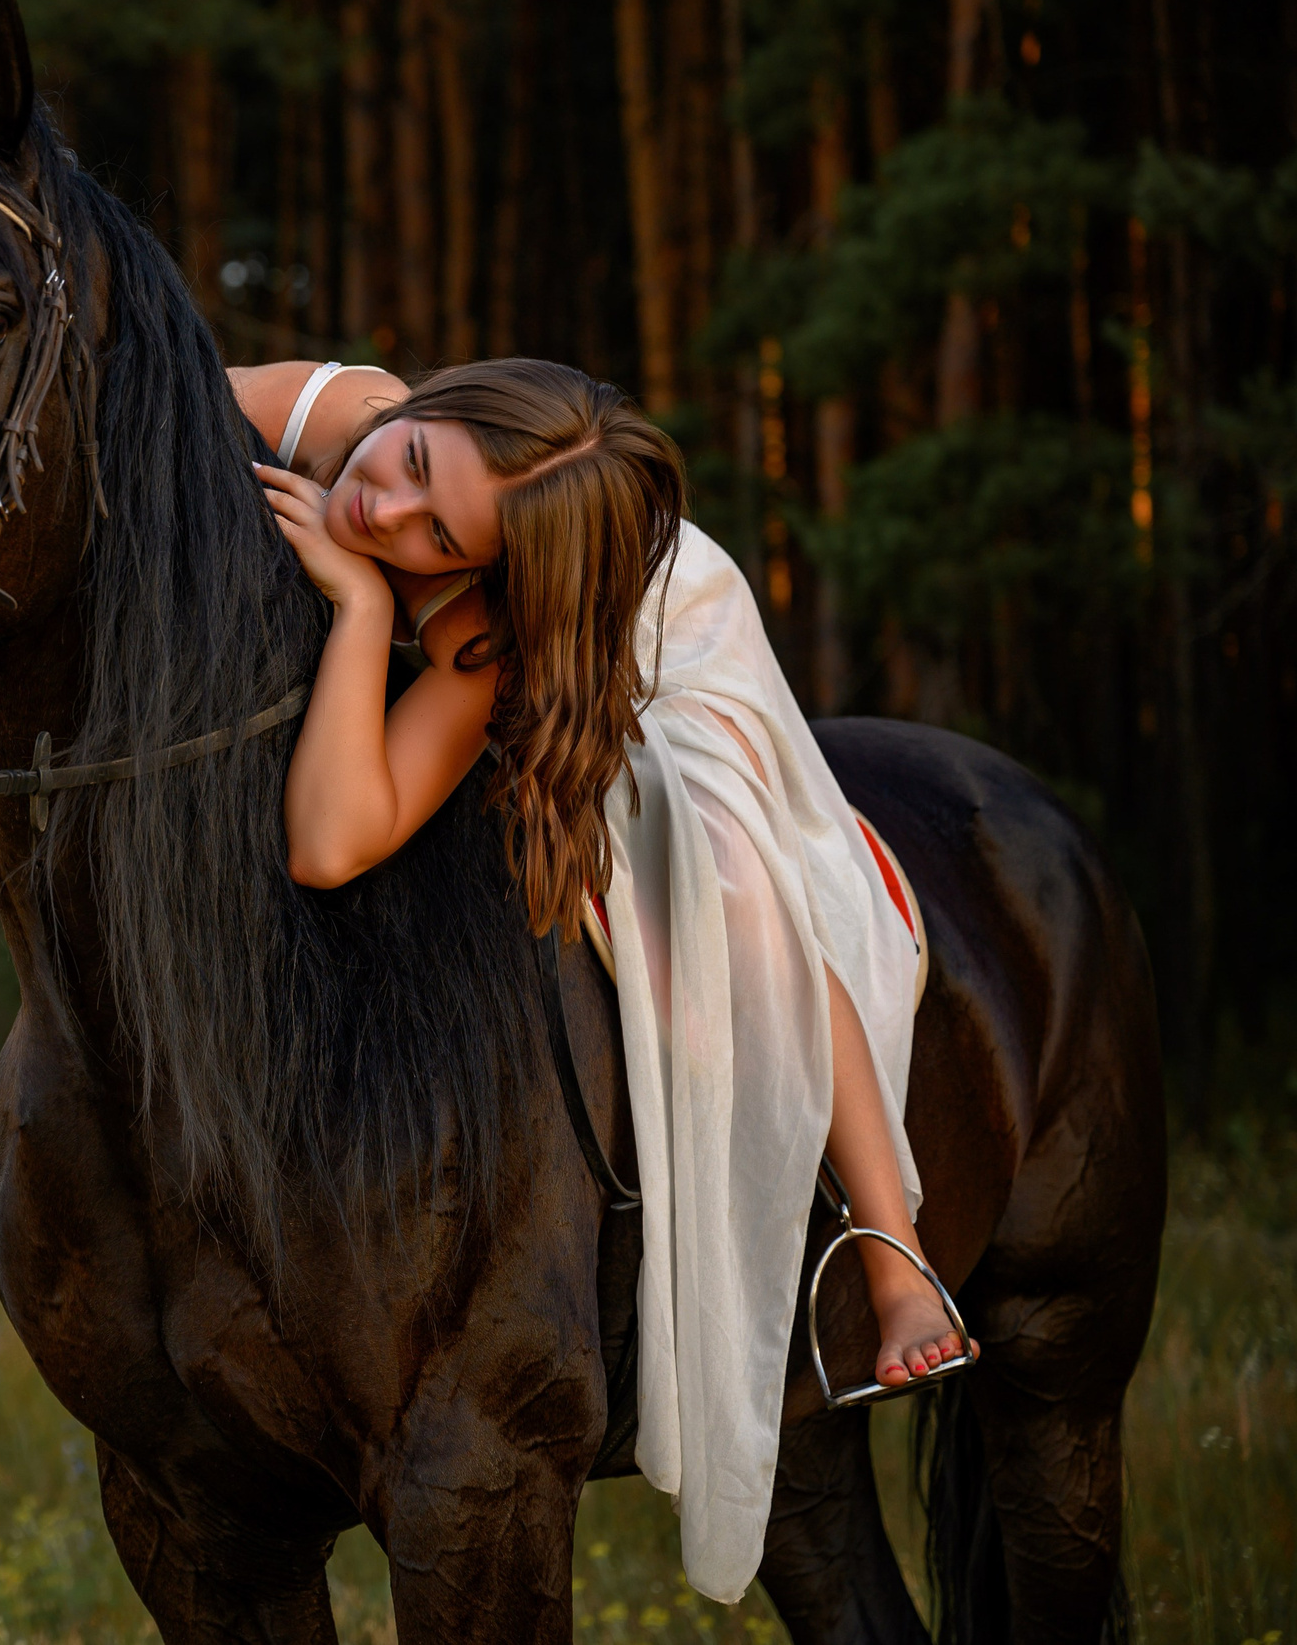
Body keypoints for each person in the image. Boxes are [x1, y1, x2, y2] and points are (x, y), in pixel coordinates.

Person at [226, 355, 971, 1601]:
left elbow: (329, 839)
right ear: (419, 402)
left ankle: (892, 1253)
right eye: (409, 465)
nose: (383, 513)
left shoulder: (480, 630)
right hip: (577, 529)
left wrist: (362, 609)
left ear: (473, 565)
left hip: (651, 634)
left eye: (431, 533)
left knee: (743, 890)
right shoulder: (331, 410)